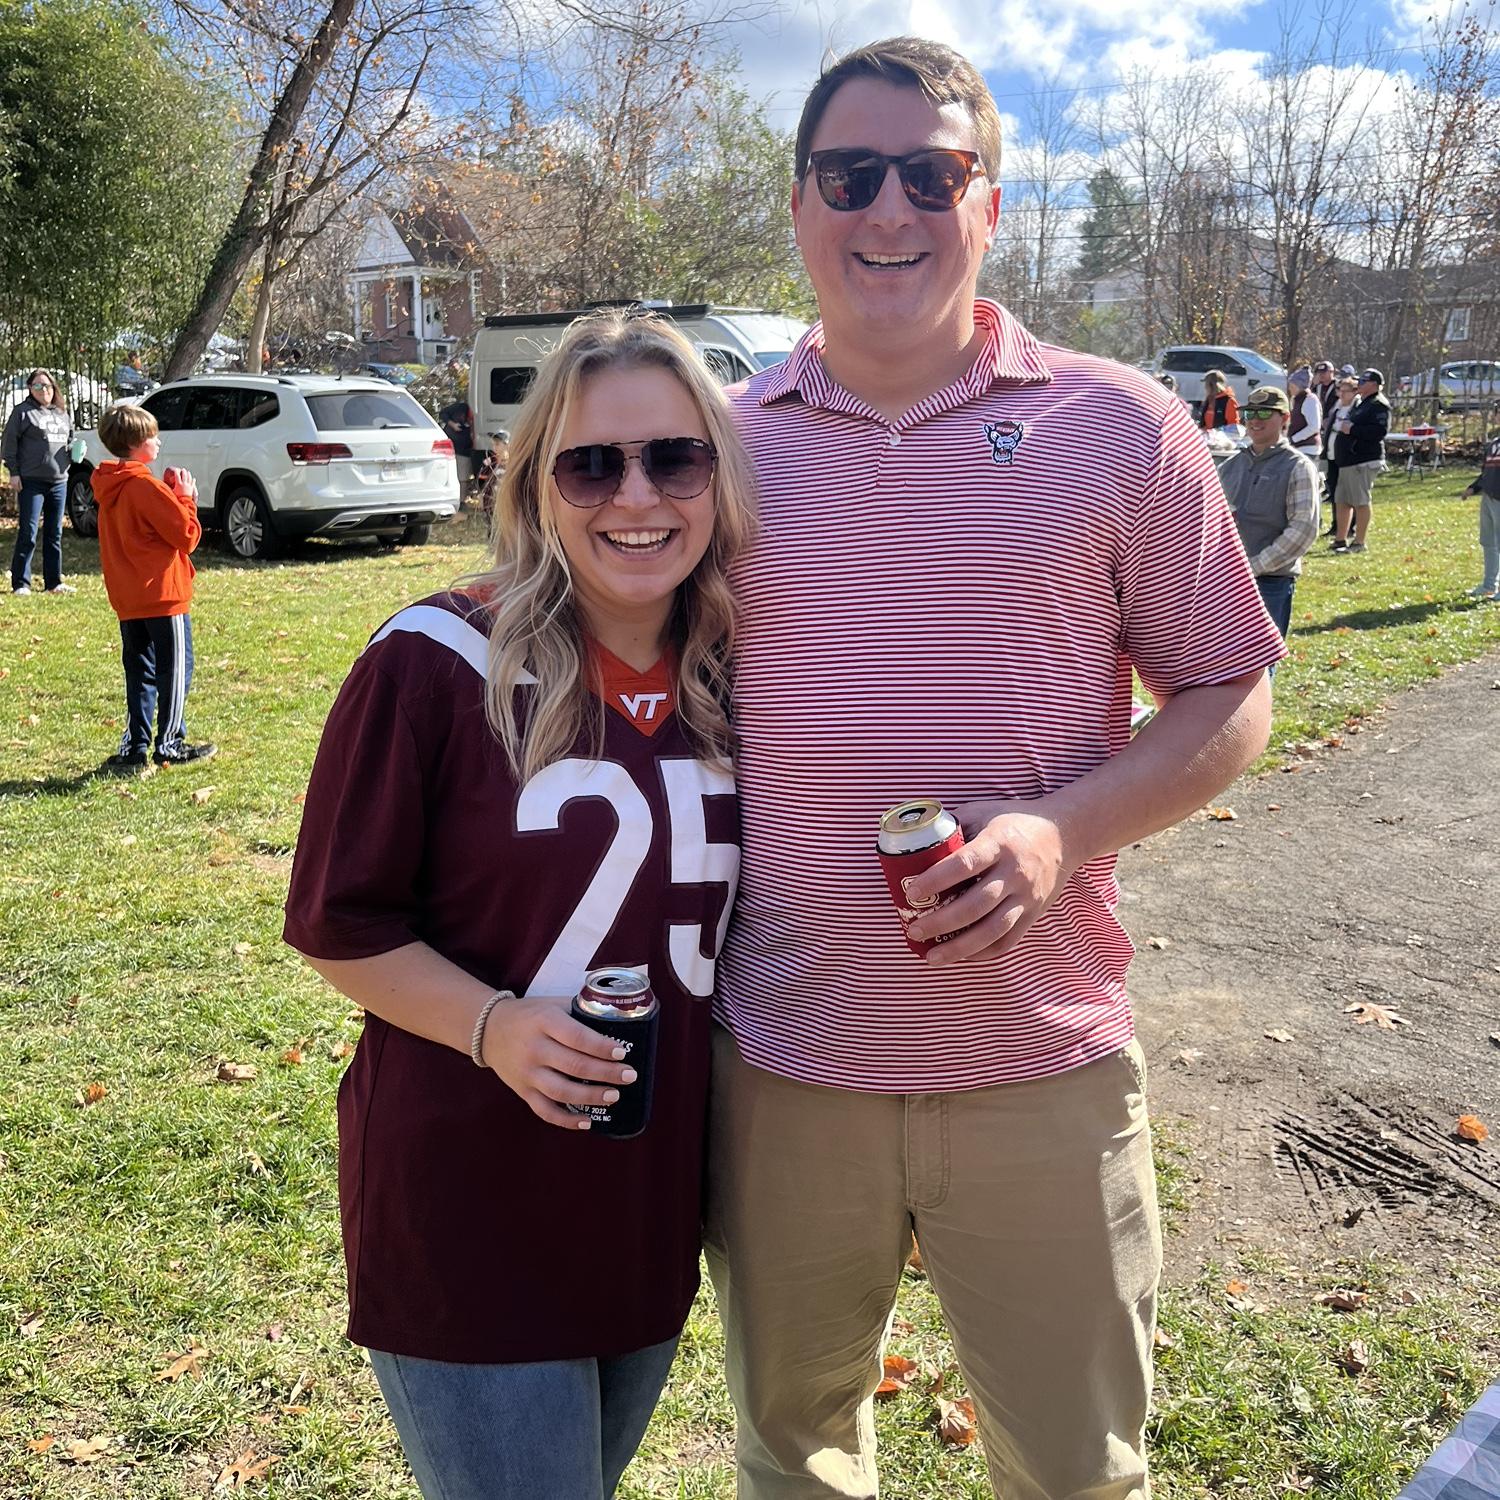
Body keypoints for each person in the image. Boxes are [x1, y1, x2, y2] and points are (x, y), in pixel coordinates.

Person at [709, 35, 1283, 1500]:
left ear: (991, 206)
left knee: (1078, 1472)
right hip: (786, 1067)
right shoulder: (712, 454)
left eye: (931, 173)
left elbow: (1231, 689)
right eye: (851, 174)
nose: (887, 209)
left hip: (1042, 1068)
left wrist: (1058, 831)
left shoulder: (1122, 426)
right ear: (798, 207)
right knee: (795, 1456)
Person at [282, 311, 755, 1500]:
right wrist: (495, 1028)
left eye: (675, 458)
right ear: (538, 486)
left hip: (646, 1199)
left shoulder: (745, 680)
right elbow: (342, 922)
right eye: (591, 463)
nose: (635, 496)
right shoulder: (438, 658)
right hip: (470, 1202)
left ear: (719, 478)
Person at [91, 404, 217, 770]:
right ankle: (170, 742)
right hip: (163, 596)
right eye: (152, 436)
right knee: (175, 670)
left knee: (139, 671)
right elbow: (187, 535)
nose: (158, 442)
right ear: (136, 443)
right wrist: (185, 497)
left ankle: (135, 747)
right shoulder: (143, 486)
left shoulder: (108, 485)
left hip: (129, 597)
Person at [1216, 386, 1321, 666]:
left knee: (1258, 669)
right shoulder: (1228, 467)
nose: (1255, 420)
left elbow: (1303, 530)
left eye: (1264, 412)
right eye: (1249, 412)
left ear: (1284, 418)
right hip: (1223, 583)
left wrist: (1253, 567)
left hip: (1270, 584)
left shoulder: (1298, 466)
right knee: (1219, 667)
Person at [4, 368, 76, 595]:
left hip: (59, 481)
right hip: (31, 481)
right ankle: (21, 583)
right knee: (28, 532)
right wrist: (13, 472)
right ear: (30, 389)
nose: (43, 390)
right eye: (37, 386)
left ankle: (54, 582)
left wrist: (74, 454)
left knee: (55, 533)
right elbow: (8, 445)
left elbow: (70, 441)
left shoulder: (62, 413)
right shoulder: (23, 413)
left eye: (46, 386)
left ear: (54, 388)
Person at [1331, 367, 1390, 553]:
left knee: (1360, 501)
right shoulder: (1360, 402)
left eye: (1364, 382)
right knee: (1342, 500)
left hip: (1363, 460)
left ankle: (1359, 542)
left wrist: (1353, 430)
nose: (1360, 385)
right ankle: (1340, 539)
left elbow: (1379, 432)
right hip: (1348, 460)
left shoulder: (1378, 404)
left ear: (1374, 384)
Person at [1461, 400, 1500, 600]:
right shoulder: (1493, 445)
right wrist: (1474, 488)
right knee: (1489, 542)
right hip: (1489, 498)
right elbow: (1486, 473)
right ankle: (1488, 585)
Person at [1321, 372, 1358, 534]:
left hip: (1347, 457)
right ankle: (1336, 525)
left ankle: (1351, 526)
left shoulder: (1356, 409)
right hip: (1332, 455)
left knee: (1349, 494)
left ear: (1354, 392)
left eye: (1345, 391)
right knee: (1334, 492)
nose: (1341, 394)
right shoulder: (1337, 407)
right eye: (1339, 391)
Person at [439, 395, 477, 492]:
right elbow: (443, 413)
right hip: (453, 445)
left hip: (466, 449)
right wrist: (453, 425)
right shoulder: (461, 407)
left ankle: (462, 500)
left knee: (464, 477)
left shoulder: (481, 416)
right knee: (454, 475)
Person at [1286, 367, 1322, 462]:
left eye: (1292, 386)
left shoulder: (1310, 400)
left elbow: (1314, 427)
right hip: (1298, 448)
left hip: (1308, 449)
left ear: (1299, 386)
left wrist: (1293, 439)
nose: (1290, 388)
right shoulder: (1297, 400)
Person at [476, 426, 511, 519]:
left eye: (497, 444)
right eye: (493, 444)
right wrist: (481, 496)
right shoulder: (489, 463)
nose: (494, 447)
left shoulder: (514, 463)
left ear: (507, 445)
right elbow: (481, 481)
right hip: (491, 503)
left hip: (508, 504)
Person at [1201, 367, 1241, 431]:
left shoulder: (1229, 400)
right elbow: (1203, 423)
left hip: (1223, 438)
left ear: (1212, 385)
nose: (1205, 387)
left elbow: (1233, 425)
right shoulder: (1208, 400)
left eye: (1206, 384)